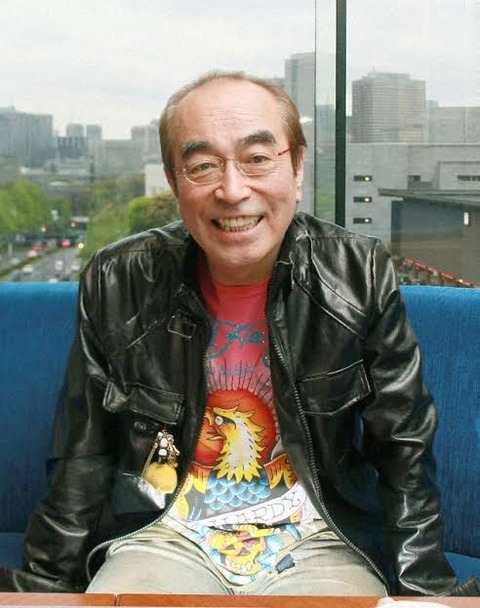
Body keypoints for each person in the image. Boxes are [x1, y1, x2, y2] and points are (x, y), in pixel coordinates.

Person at [0, 71, 458, 596]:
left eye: (257, 158)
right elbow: (85, 451)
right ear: (174, 182)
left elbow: (403, 447)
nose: (233, 190)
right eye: (203, 166)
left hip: (320, 541)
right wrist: (46, 587)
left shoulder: (359, 274)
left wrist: (423, 594)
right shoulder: (117, 279)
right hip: (162, 537)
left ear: (297, 168)